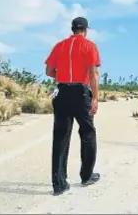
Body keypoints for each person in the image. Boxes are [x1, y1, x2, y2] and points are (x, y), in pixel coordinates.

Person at [45, 17, 101, 196]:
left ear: (72, 29)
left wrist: (61, 76)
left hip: (62, 92)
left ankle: (59, 182)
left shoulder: (59, 45)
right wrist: (95, 98)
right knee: (88, 132)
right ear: (85, 29)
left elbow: (48, 71)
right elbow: (93, 72)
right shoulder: (89, 46)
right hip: (80, 92)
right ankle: (86, 175)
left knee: (61, 136)